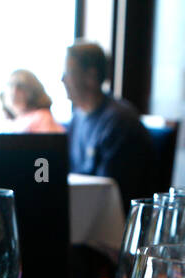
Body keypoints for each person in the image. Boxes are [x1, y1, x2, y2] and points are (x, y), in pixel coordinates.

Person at [61, 41, 152, 205]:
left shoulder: (119, 122)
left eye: (69, 72)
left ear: (91, 76)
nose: (62, 79)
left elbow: (106, 192)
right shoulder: (78, 117)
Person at [0, 70, 64, 133]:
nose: (14, 91)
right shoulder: (13, 122)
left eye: (20, 87)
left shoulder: (42, 118)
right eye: (10, 85)